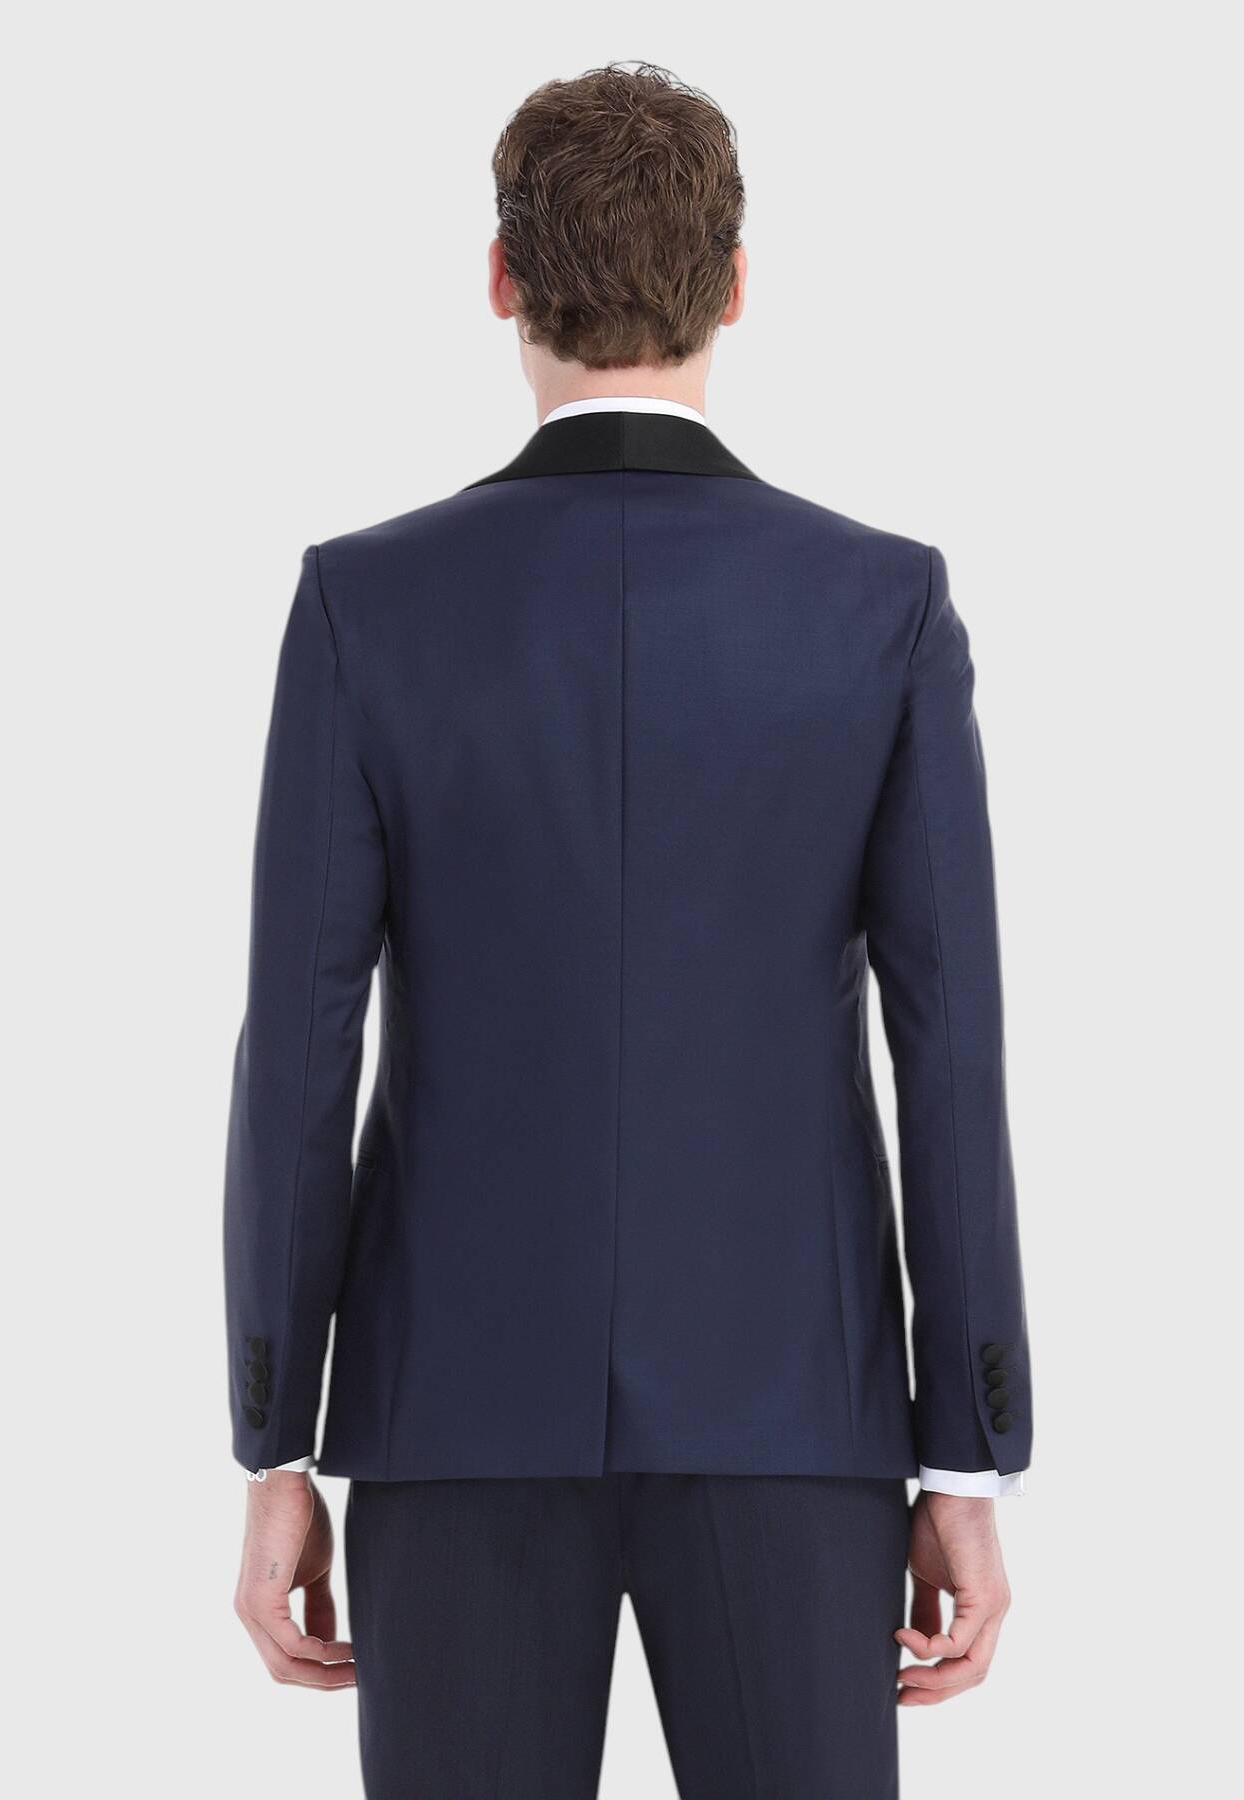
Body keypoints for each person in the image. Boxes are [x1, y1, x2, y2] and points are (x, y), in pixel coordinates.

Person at [225, 62, 1031, 1798]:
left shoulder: (367, 602)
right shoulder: (876, 607)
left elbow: (298, 1049)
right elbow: (949, 1048)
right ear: (735, 283)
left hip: (450, 1416)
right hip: (793, 1415)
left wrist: (274, 1441)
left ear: (499, 279)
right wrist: (962, 1458)